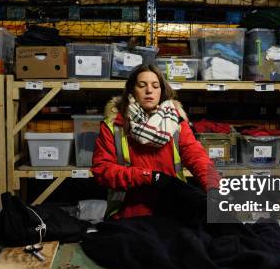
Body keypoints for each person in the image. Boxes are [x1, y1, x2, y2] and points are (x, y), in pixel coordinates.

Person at [91, 64, 220, 219]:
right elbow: (102, 170)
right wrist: (147, 176)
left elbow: (198, 158)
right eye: (142, 85)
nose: (149, 90)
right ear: (132, 91)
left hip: (174, 209)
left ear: (162, 91)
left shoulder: (176, 124)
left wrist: (215, 187)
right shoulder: (115, 126)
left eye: (155, 85)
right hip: (128, 212)